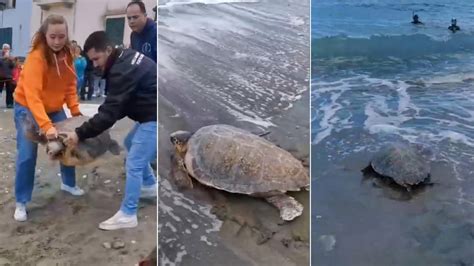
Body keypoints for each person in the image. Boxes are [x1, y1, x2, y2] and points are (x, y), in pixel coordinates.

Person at [63, 31, 157, 230]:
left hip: (155, 116)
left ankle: (128, 214)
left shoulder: (122, 70)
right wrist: (104, 119)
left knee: (134, 163)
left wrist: (79, 133)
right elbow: (120, 104)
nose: (95, 64)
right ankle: (149, 186)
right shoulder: (125, 58)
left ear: (108, 50)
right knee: (130, 143)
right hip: (152, 111)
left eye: (96, 59)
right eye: (91, 60)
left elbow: (111, 111)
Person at [13, 14, 84, 222]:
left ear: (66, 36)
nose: (57, 41)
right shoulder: (36, 57)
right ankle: (21, 201)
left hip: (54, 108)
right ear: (45, 35)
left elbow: (70, 85)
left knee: (69, 143)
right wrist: (46, 126)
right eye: (52, 36)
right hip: (27, 107)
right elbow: (33, 95)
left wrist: (75, 111)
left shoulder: (69, 54)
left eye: (61, 36)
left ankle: (68, 183)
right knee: (27, 154)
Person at [0, 43, 15, 108]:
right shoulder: (0, 56)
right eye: (5, 48)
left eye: (7, 48)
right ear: (2, 49)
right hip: (1, 76)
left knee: (10, 91)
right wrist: (3, 58)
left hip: (9, 77)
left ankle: (9, 103)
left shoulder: (11, 57)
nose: (6, 50)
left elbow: (13, 66)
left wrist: (11, 60)